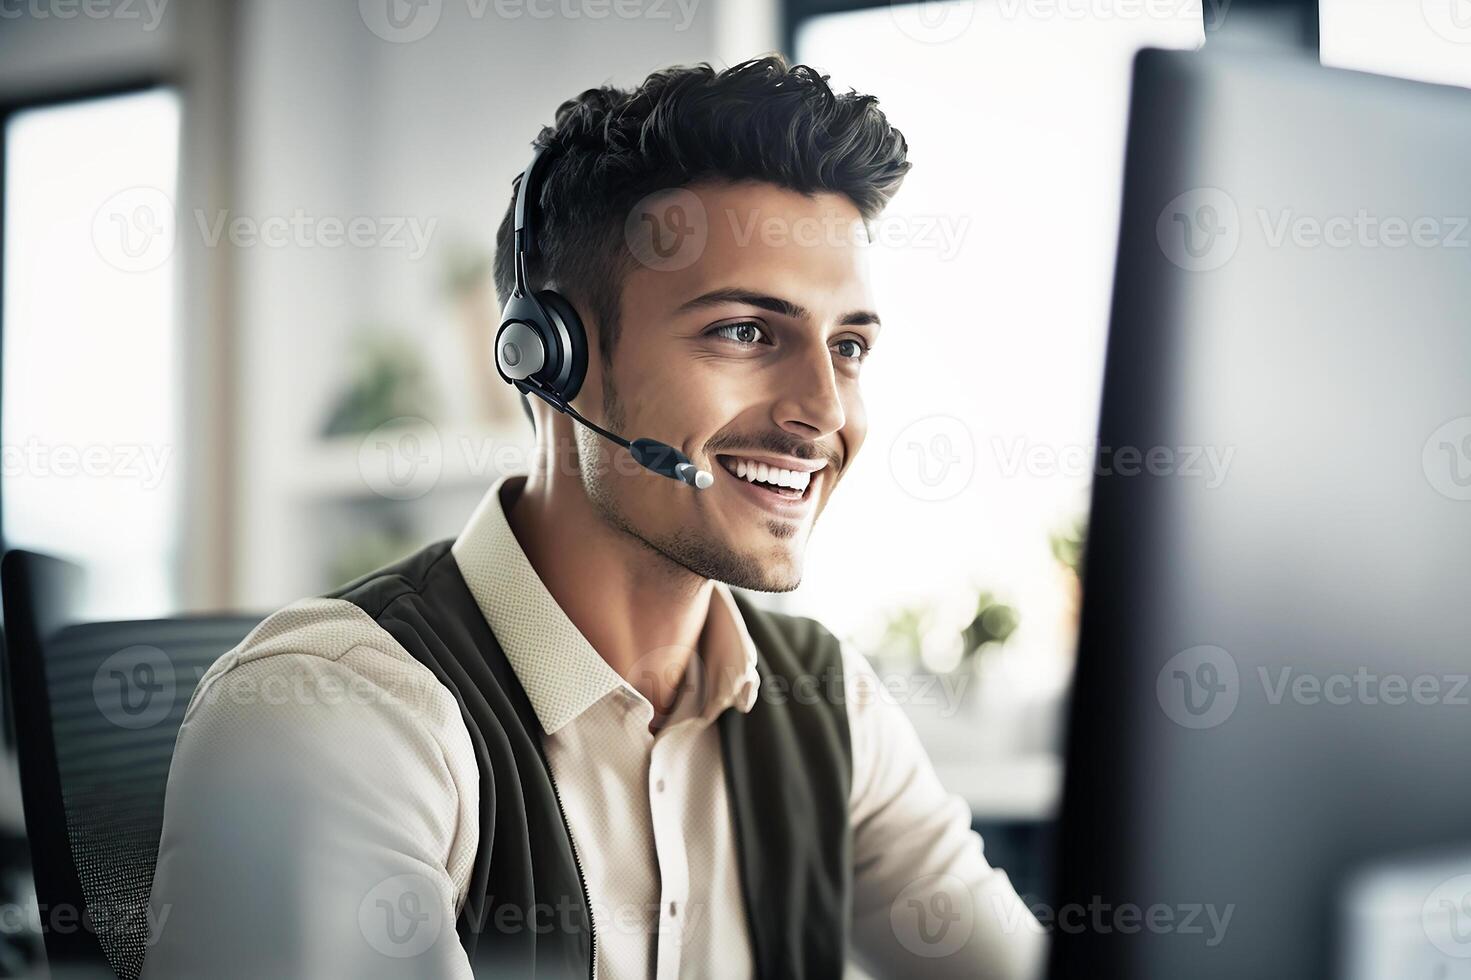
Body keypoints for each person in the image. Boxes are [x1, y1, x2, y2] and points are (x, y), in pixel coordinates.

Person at [141, 55, 1044, 979]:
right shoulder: (338, 714)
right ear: (549, 360)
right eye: (744, 332)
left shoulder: (826, 707)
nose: (822, 409)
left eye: (847, 345)